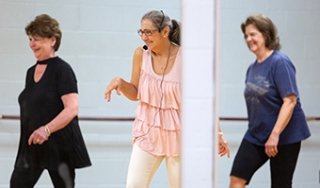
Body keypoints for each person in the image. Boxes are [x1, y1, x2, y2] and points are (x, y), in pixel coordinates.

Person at [104, 10, 230, 188]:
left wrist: (218, 134)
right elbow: (136, 92)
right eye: (141, 32)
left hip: (179, 135)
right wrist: (120, 83)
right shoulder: (141, 54)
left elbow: (206, 101)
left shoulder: (187, 58)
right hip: (148, 131)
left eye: (149, 32)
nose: (144, 37)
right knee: (134, 184)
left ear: (165, 32)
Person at [229, 14, 311, 188]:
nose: (248, 39)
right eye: (246, 35)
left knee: (280, 184)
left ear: (265, 35)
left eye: (253, 34)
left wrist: (275, 135)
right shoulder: (252, 68)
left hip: (285, 135)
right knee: (236, 179)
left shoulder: (280, 62)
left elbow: (290, 100)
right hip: (256, 134)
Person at [10, 14, 91, 188]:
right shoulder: (30, 72)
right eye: (30, 39)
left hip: (60, 147)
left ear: (52, 40)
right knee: (17, 184)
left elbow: (72, 108)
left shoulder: (63, 70)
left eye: (37, 39)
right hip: (32, 146)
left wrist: (46, 130)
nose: (32, 44)